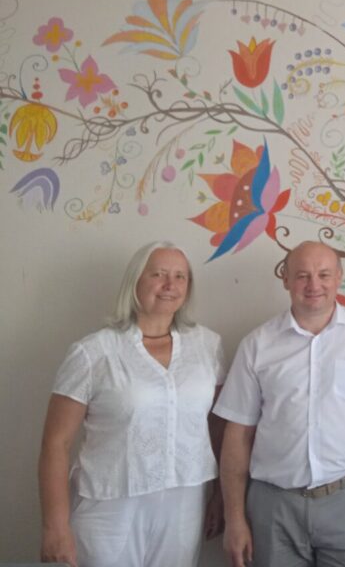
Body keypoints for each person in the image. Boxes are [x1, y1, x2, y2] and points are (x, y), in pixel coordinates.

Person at [215, 240, 345, 567]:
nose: (314, 285)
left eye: (323, 274)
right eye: (302, 275)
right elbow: (237, 436)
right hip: (274, 508)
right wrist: (234, 518)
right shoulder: (257, 345)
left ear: (339, 277)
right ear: (286, 280)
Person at [38, 241, 225, 567]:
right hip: (110, 507)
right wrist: (55, 527)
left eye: (180, 276)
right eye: (158, 274)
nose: (170, 285)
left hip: (185, 503)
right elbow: (56, 443)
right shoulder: (93, 352)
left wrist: (221, 496)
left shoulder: (208, 346)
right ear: (135, 281)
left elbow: (219, 425)